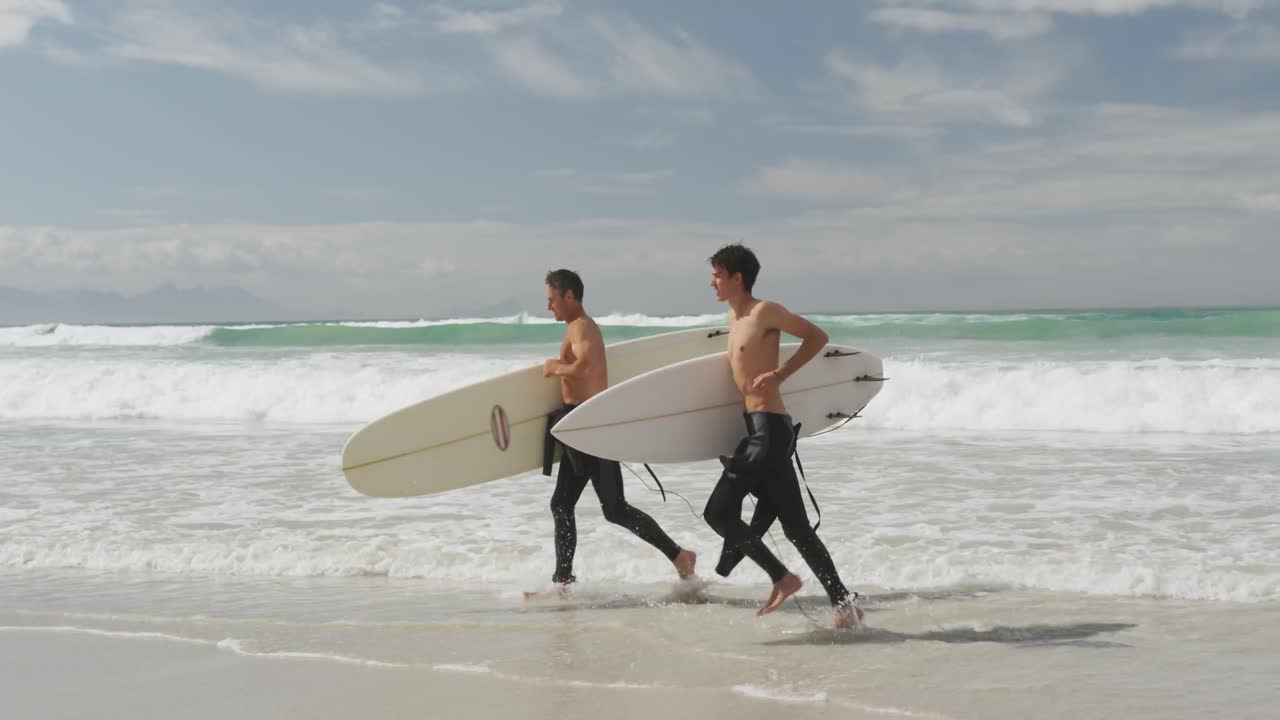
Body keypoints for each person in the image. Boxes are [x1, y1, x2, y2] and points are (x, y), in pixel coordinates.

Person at [700, 244, 862, 628]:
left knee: (717, 513)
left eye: (718, 275)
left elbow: (816, 337)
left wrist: (780, 374)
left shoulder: (765, 311)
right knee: (797, 529)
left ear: (737, 277)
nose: (712, 282)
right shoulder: (733, 317)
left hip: (768, 432)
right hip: (759, 428)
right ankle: (845, 604)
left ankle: (782, 578)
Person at [531, 269, 697, 595]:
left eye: (552, 300)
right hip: (581, 427)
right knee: (564, 504)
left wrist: (555, 367)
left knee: (612, 508)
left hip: (592, 427)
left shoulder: (581, 327)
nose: (549, 306)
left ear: (569, 296)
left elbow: (585, 367)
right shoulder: (578, 327)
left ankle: (680, 556)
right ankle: (562, 582)